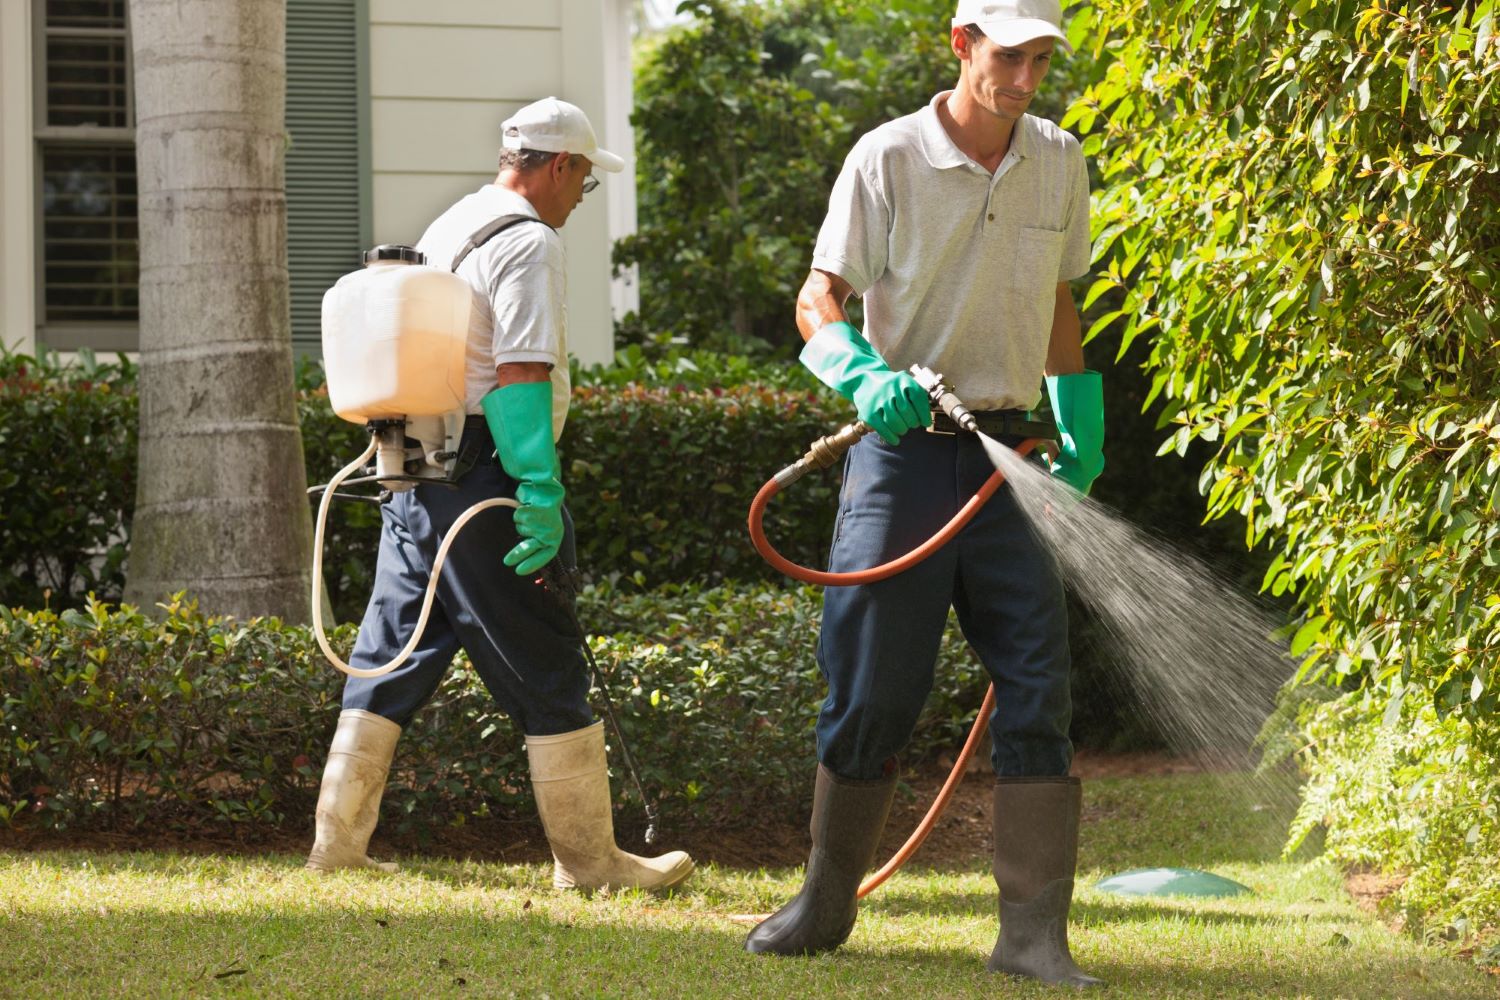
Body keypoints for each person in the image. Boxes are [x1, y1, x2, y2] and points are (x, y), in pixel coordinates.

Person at [744, 0, 1105, 986]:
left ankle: (1032, 935)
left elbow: (1061, 301)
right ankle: (823, 904)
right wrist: (862, 375)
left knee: (1039, 684)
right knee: (871, 687)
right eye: (1009, 56)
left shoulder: (1060, 159)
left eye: (1041, 59)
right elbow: (817, 298)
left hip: (1011, 453)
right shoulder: (887, 157)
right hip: (903, 458)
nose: (1026, 79)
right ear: (961, 45)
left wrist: (1081, 420)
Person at [305, 97, 694, 894]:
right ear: (559, 167)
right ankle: (590, 865)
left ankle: (335, 848)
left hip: (410, 473)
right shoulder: (529, 241)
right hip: (484, 474)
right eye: (582, 184)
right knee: (545, 656)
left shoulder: (452, 225)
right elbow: (519, 372)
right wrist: (539, 486)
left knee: (388, 655)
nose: (578, 201)